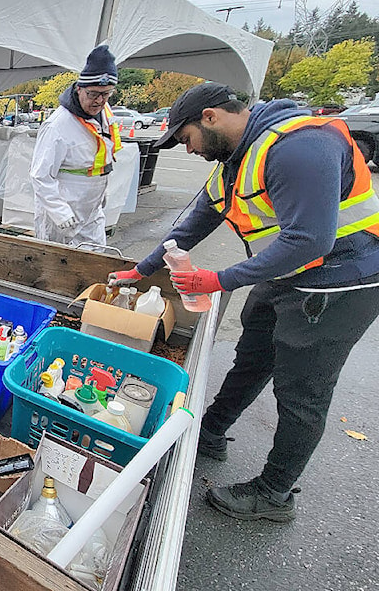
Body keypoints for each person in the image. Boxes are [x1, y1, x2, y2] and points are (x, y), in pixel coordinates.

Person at [109, 82, 379, 522]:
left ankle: (274, 495)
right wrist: (142, 269)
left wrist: (219, 279)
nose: (187, 148)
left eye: (186, 138)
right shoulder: (238, 159)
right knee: (252, 358)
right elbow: (196, 221)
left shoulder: (299, 148)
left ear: (211, 117)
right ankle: (210, 431)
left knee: (302, 393)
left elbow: (309, 240)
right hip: (286, 274)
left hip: (339, 282)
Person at [30, 45, 122, 246]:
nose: (99, 101)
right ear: (79, 88)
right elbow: (40, 175)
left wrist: (101, 190)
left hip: (91, 207)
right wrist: (59, 212)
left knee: (94, 256)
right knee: (57, 263)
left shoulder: (105, 113)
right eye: (93, 94)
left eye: (106, 94)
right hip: (64, 210)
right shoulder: (58, 126)